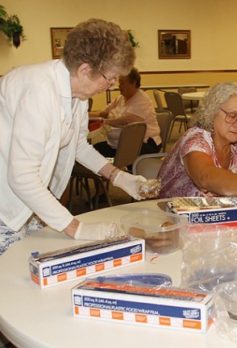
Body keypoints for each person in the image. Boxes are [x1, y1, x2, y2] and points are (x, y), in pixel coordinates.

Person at [0, 18, 150, 255]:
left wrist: (118, 176)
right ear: (85, 69)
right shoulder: (40, 91)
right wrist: (76, 228)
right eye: (109, 78)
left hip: (30, 200)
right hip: (5, 202)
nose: (111, 85)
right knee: (9, 275)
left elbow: (77, 144)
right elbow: (21, 176)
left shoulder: (76, 94)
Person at [157, 82, 237, 217]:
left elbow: (231, 190)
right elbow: (205, 176)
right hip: (170, 220)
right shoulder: (195, 139)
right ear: (212, 112)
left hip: (212, 217)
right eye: (232, 116)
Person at [90, 67, 162, 156]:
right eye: (119, 83)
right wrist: (88, 115)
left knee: (121, 155)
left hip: (145, 142)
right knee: (94, 149)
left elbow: (125, 121)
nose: (119, 86)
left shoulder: (142, 100)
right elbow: (104, 113)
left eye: (122, 83)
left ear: (133, 83)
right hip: (123, 141)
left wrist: (104, 121)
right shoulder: (121, 98)